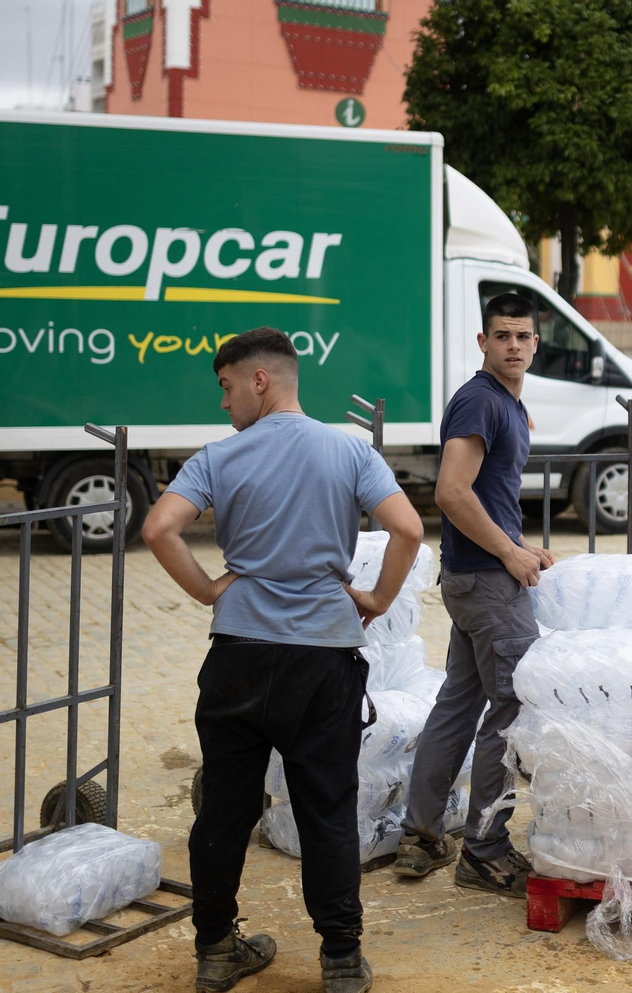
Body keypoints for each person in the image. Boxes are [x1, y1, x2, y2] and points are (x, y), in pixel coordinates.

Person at [143, 327, 422, 993]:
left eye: (227, 385)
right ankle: (342, 960)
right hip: (323, 660)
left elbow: (159, 529)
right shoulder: (350, 451)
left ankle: (215, 950)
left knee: (224, 811)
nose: (224, 402)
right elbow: (408, 529)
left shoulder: (219, 456)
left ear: (259, 379)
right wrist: (378, 598)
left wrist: (210, 588)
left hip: (238, 655)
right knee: (326, 807)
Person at [394, 293, 553, 894]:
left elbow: (488, 495)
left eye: (523, 336)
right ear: (482, 343)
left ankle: (420, 835)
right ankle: (484, 850)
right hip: (487, 583)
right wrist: (508, 553)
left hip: (476, 576)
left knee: (459, 704)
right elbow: (452, 493)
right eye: (502, 335)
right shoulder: (480, 401)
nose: (513, 345)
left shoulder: (506, 403)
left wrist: (522, 542)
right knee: (512, 710)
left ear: (536, 343)